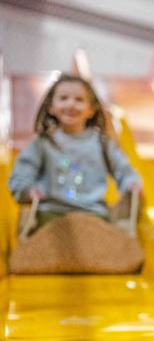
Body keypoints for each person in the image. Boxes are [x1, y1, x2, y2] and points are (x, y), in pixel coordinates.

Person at [7, 74, 142, 235]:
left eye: (79, 100)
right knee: (49, 248)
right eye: (63, 98)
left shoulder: (102, 144)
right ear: (52, 107)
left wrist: (131, 182)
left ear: (91, 110)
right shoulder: (43, 143)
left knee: (102, 248)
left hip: (93, 214)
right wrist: (27, 190)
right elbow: (22, 174)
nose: (71, 104)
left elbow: (124, 170)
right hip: (51, 213)